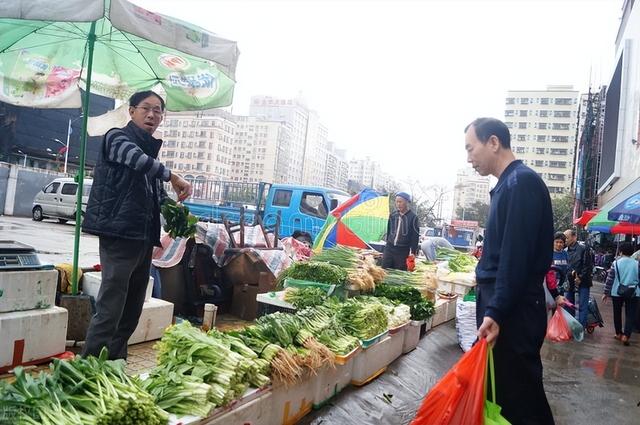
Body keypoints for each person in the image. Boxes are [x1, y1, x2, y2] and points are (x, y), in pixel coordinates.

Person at [82, 90, 192, 360]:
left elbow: (155, 194)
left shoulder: (150, 155)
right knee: (111, 306)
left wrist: (174, 212)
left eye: (158, 111)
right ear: (131, 111)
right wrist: (173, 176)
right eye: (146, 108)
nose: (152, 115)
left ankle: (114, 366)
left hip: (143, 238)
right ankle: (88, 367)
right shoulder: (117, 138)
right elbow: (135, 160)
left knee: (131, 310)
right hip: (119, 234)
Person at [466, 117, 555, 425]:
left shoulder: (521, 184)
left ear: (493, 142)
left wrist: (497, 311)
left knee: (521, 399)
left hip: (514, 313)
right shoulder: (507, 185)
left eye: (470, 148)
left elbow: (514, 259)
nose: (469, 158)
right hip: (507, 308)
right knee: (505, 394)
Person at [603, 242, 640, 345]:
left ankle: (618, 333)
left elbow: (610, 279)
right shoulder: (637, 264)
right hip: (634, 292)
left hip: (617, 292)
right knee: (630, 315)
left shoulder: (616, 263)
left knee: (617, 313)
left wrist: (606, 292)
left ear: (621, 251)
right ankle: (626, 336)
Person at [382, 192, 420, 270]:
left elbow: (415, 236)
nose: (398, 204)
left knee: (398, 273)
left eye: (400, 202)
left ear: (406, 202)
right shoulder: (393, 215)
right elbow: (389, 230)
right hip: (389, 248)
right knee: (384, 270)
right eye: (397, 202)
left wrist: (413, 252)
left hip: (402, 251)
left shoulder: (413, 218)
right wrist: (387, 242)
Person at [564, 229, 593, 328]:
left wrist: (580, 277)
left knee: (582, 305)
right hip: (570, 281)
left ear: (574, 237)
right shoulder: (565, 250)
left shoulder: (583, 248)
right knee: (568, 304)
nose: (565, 240)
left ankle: (581, 327)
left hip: (583, 281)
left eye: (567, 238)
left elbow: (587, 265)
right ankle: (570, 326)